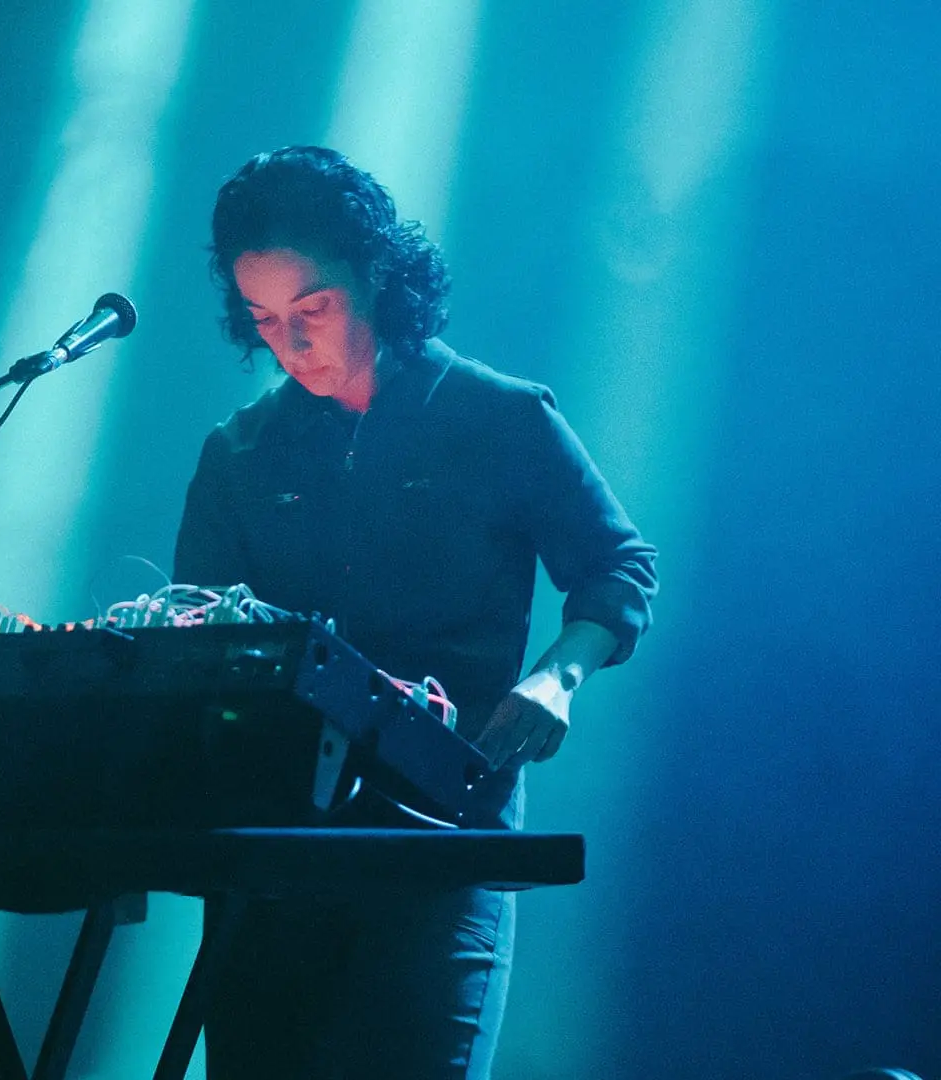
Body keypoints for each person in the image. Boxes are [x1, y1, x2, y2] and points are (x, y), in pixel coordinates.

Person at [175, 146, 658, 1078]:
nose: (290, 344)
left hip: (445, 826)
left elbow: (616, 563)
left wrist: (558, 678)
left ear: (379, 274)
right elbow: (199, 630)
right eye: (264, 320)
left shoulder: (501, 417)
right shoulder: (240, 452)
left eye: (311, 310)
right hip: (276, 837)